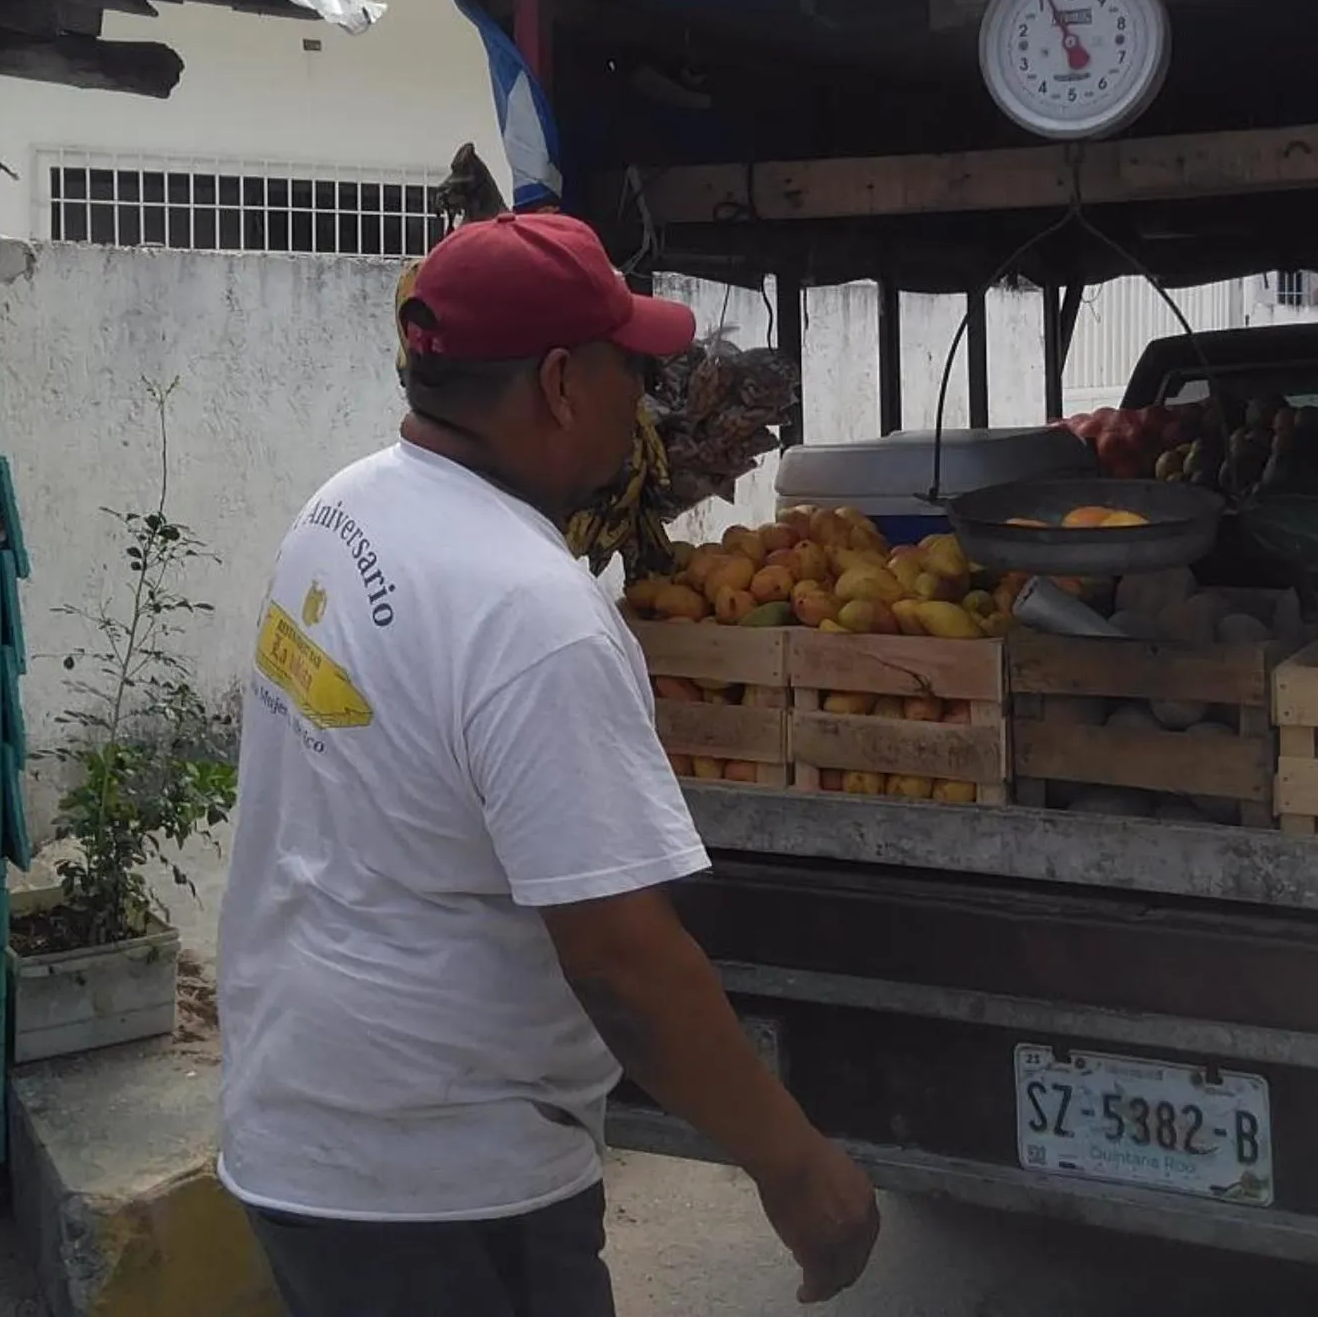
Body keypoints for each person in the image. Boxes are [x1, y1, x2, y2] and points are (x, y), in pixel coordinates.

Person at [220, 212, 879, 1316]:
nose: (648, 401)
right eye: (633, 367)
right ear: (564, 382)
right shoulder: (535, 615)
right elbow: (624, 965)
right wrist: (799, 1168)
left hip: (302, 1129)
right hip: (444, 1185)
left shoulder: (344, 509)